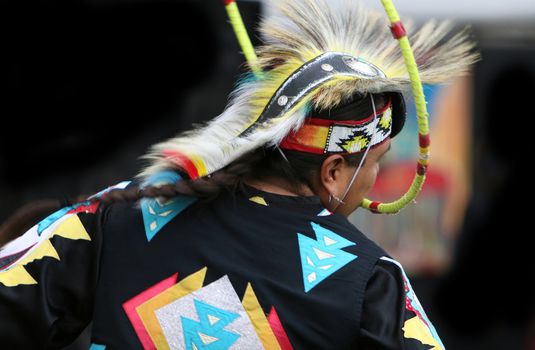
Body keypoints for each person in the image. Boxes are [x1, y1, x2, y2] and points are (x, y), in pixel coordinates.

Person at [0, 0, 477, 348]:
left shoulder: (125, 209)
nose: (375, 177)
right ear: (334, 171)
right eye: (376, 161)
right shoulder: (370, 283)